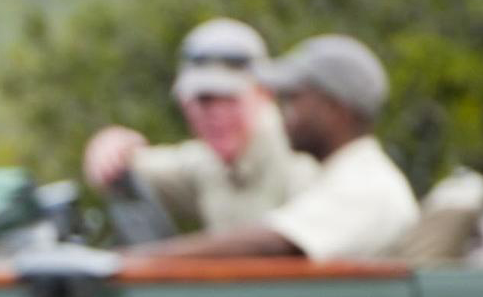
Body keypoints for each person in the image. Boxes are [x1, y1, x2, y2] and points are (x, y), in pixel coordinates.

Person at [126, 34, 419, 263]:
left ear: (334, 110)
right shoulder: (335, 174)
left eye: (293, 98)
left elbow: (274, 243)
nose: (282, 112)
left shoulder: (366, 185)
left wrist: (136, 263)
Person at [81, 18, 318, 235]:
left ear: (264, 94)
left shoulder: (302, 161)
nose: (215, 114)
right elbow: (123, 165)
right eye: (203, 100)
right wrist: (111, 144)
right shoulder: (207, 163)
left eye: (229, 98)